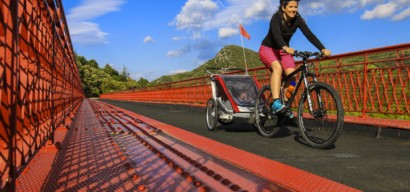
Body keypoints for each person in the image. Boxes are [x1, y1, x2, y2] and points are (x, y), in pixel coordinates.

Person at [259, 0, 331, 114]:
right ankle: (276, 102)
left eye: (295, 7)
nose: (293, 9)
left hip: (284, 51)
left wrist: (322, 48)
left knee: (292, 76)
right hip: (268, 49)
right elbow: (276, 34)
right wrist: (284, 46)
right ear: (283, 8)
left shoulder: (297, 20)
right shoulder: (276, 17)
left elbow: (309, 34)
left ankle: (286, 105)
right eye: (290, 6)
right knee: (277, 68)